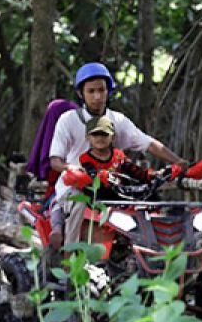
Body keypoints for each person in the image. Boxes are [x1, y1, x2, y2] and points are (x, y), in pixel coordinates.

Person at [48, 61, 187, 248]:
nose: (97, 96)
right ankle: (69, 257)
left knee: (152, 202)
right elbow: (55, 160)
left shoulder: (118, 120)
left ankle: (160, 250)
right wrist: (71, 168)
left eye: (101, 90)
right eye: (91, 91)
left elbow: (148, 143)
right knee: (77, 204)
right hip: (79, 185)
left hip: (114, 187)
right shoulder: (68, 120)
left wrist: (178, 161)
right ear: (81, 93)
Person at [53, 115, 157, 247]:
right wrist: (98, 177)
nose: (100, 138)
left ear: (112, 137)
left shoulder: (118, 156)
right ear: (88, 137)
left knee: (147, 206)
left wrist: (154, 175)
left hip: (119, 197)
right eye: (95, 134)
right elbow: (91, 175)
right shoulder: (85, 158)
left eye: (104, 134)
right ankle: (70, 251)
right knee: (77, 209)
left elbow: (135, 171)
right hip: (98, 200)